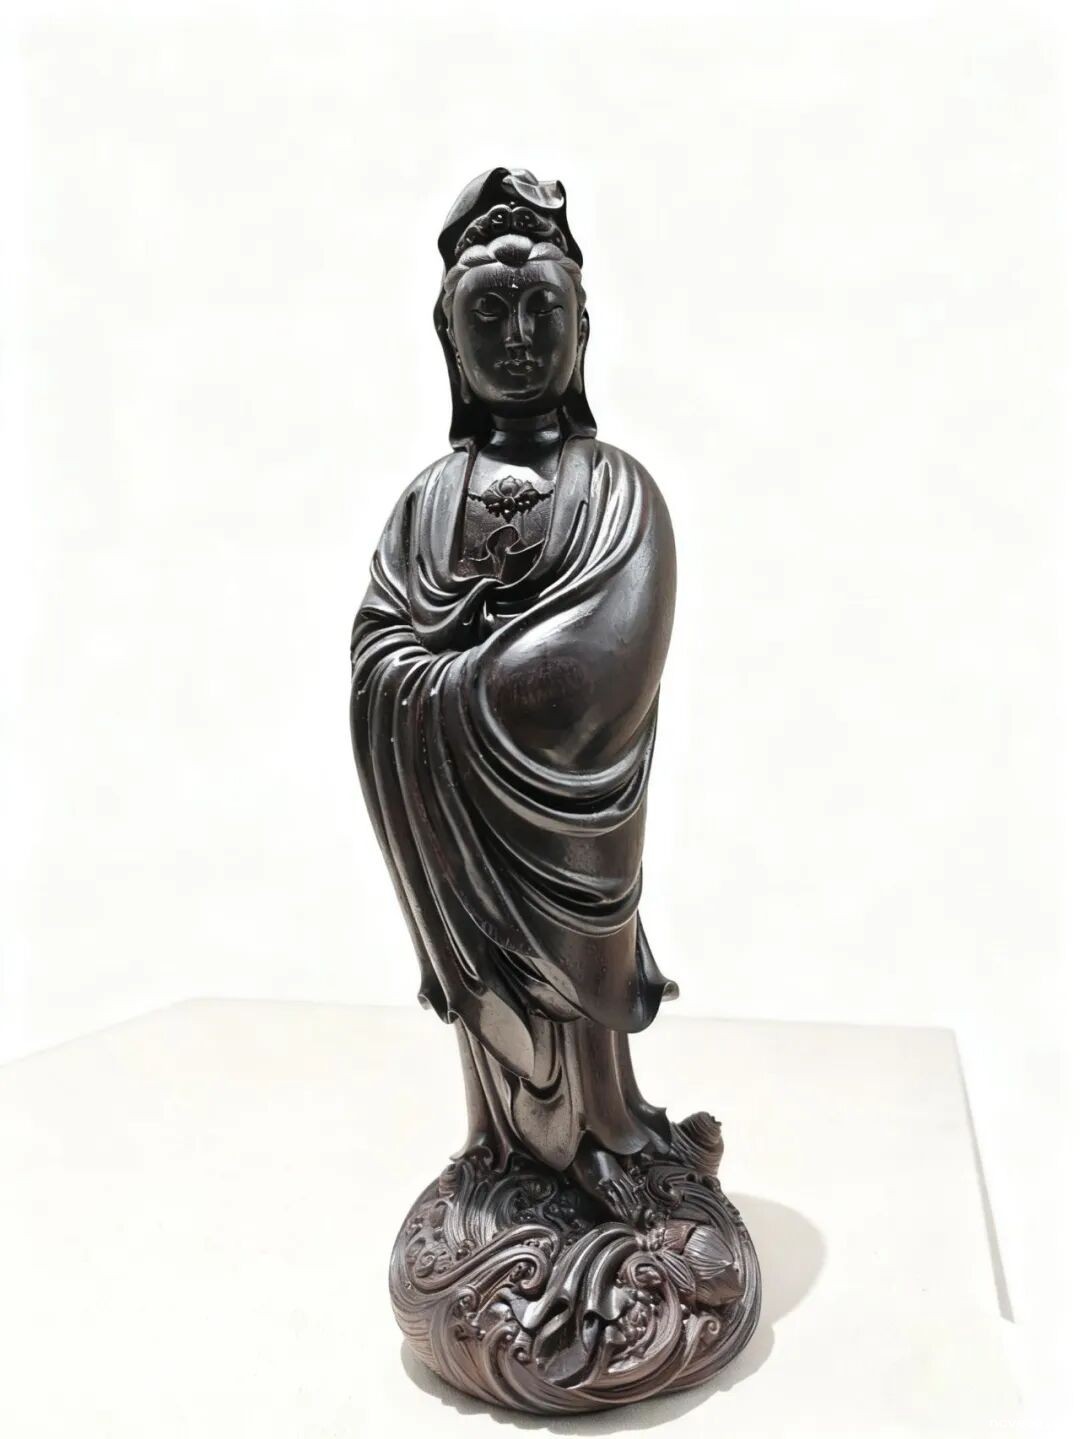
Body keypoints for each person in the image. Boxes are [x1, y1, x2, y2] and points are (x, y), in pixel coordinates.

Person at [350, 169, 682, 1221]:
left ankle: (603, 1136)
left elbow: (601, 664)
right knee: (490, 1010)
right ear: (448, 338)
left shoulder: (615, 489)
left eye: (541, 307)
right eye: (488, 315)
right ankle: (503, 1150)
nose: (520, 337)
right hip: (460, 830)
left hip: (565, 823)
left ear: (582, 324)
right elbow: (377, 654)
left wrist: (453, 672)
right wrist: (438, 679)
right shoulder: (427, 503)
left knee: (575, 1003)